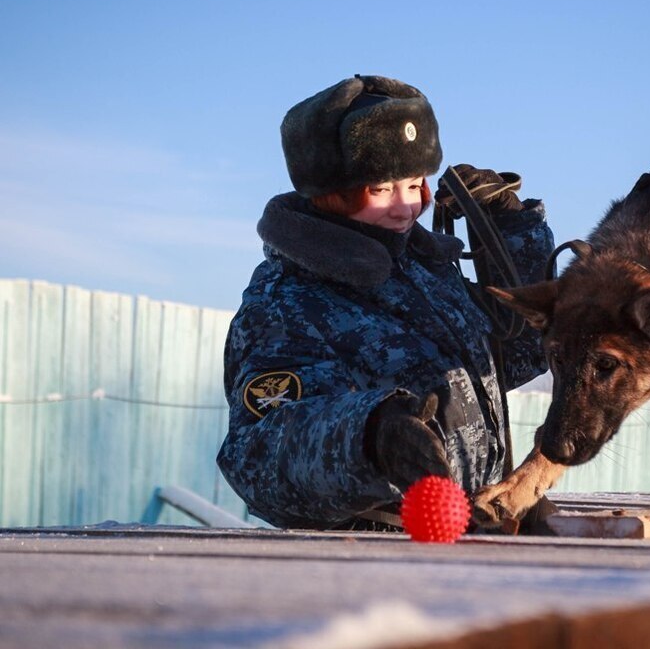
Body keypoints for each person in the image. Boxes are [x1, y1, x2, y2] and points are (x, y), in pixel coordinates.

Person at [217, 74, 555, 529]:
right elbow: (257, 457)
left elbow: (517, 357)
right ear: (330, 195)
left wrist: (513, 237)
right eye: (380, 189)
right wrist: (371, 434)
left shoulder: (427, 270)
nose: (404, 207)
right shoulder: (286, 302)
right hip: (373, 549)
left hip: (475, 531)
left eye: (414, 185)